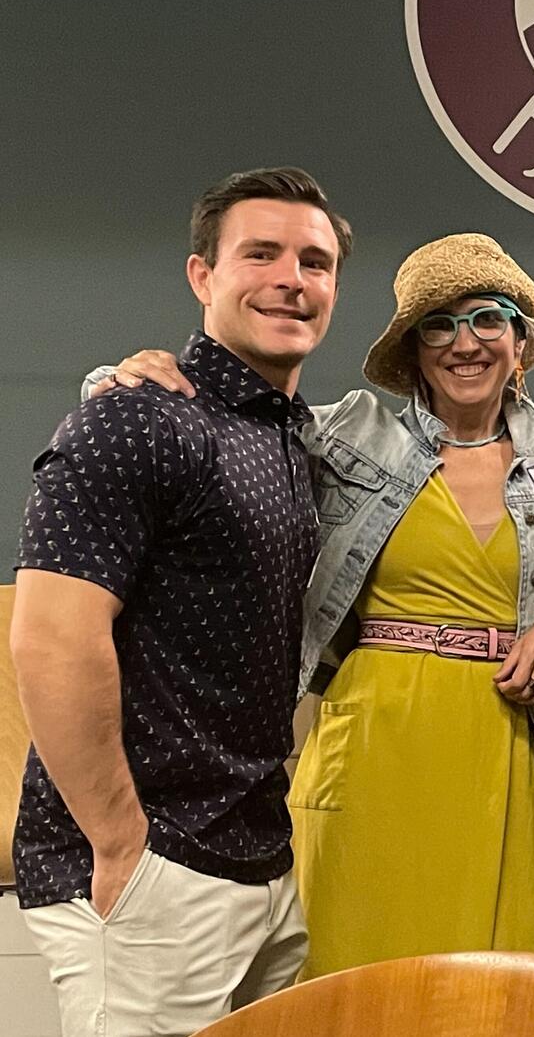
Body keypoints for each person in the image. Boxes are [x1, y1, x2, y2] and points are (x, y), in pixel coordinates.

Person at [93, 231, 534, 979]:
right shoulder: (346, 434)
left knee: (500, 993)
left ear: (520, 340)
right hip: (372, 741)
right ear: (412, 351)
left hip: (508, 745)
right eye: (439, 324)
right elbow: (209, 435)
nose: (464, 343)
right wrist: (122, 380)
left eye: (488, 318)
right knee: (354, 982)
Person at [10, 167, 348, 1036]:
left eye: (314, 261)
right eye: (261, 254)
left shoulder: (289, 439)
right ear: (203, 276)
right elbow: (50, 640)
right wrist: (122, 843)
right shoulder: (136, 419)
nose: (291, 279)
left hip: (262, 861)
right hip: (154, 866)